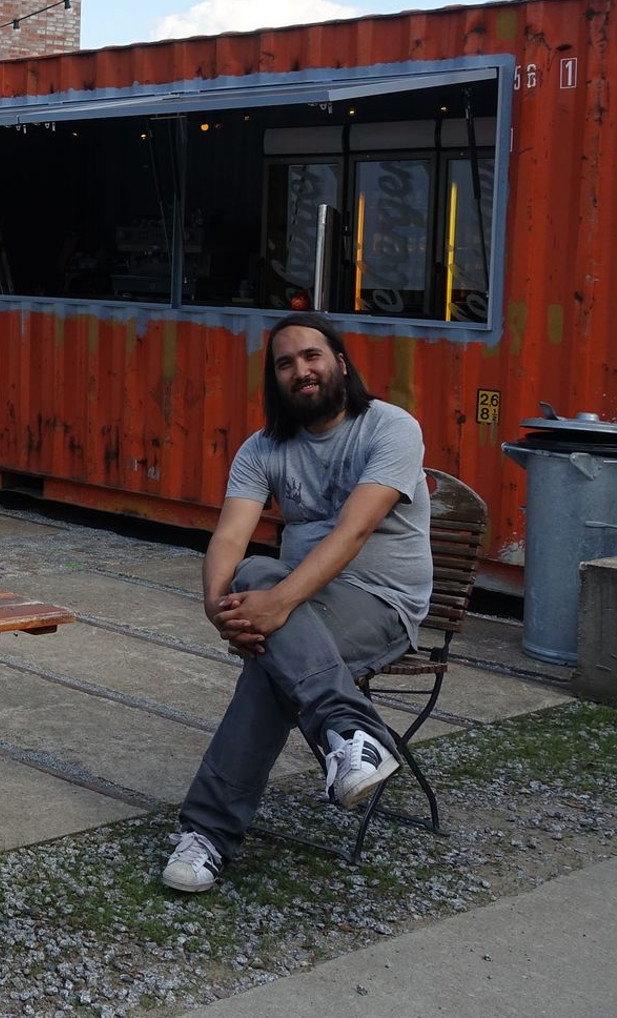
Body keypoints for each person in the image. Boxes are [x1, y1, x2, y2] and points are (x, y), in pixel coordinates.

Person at [161, 313, 433, 894]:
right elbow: (230, 537)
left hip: (381, 604)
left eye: (312, 356)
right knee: (252, 570)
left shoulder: (391, 428)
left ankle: (207, 834)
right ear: (275, 379)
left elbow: (354, 532)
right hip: (302, 608)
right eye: (285, 363)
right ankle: (350, 736)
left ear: (341, 364)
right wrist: (218, 609)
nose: (301, 370)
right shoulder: (262, 448)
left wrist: (275, 607)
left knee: (269, 661)